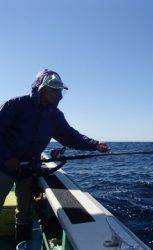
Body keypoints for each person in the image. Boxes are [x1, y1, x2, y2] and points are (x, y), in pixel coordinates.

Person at [0, 69, 110, 244]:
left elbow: (70, 135)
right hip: (4, 167)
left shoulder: (55, 116)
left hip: (28, 168)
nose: (59, 95)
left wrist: (95, 144)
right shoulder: (15, 105)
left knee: (25, 213)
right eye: (54, 89)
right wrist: (7, 157)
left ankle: (23, 244)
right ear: (41, 88)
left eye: (60, 91)